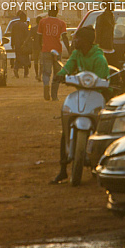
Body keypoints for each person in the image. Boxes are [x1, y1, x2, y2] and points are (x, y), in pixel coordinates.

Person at [50, 26, 109, 184]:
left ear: (86, 41)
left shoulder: (99, 58)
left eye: (77, 38)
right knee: (66, 127)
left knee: (103, 129)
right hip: (80, 94)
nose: (74, 41)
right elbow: (68, 67)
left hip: (97, 95)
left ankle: (101, 164)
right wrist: (60, 76)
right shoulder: (76, 54)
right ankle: (63, 169)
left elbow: (104, 79)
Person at [39, 6, 70, 101]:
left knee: (46, 72)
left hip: (46, 49)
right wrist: (69, 50)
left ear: (48, 12)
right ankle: (54, 95)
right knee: (57, 73)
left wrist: (39, 48)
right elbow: (64, 37)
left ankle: (46, 85)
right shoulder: (61, 23)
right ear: (57, 12)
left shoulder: (42, 22)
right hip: (57, 50)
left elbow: (39, 37)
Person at [9, 11, 31, 78]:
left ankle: (16, 69)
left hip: (17, 44)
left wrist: (12, 44)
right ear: (24, 18)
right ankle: (26, 74)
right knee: (26, 59)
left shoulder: (15, 25)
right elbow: (28, 36)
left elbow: (12, 35)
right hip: (23, 45)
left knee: (18, 58)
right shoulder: (25, 25)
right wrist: (26, 43)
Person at [30, 15, 43, 80]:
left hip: (35, 47)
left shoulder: (33, 29)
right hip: (42, 47)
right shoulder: (44, 29)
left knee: (36, 61)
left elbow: (29, 37)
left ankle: (37, 74)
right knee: (41, 62)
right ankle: (39, 75)